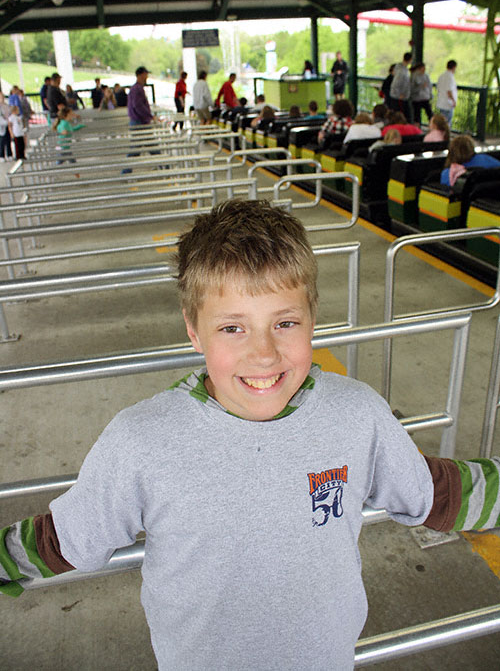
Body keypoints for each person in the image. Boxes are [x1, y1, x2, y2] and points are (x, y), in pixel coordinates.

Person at [1, 199, 500, 670]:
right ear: (193, 330)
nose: (264, 353)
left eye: (284, 322)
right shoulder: (142, 441)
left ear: (312, 318)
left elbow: (429, 489)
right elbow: (67, 537)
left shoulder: (357, 415)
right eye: (232, 328)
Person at [389, 52, 412, 120]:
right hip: (399, 98)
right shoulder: (401, 71)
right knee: (402, 117)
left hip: (401, 97)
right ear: (410, 60)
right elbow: (395, 84)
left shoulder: (403, 69)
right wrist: (399, 95)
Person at [436, 60, 458, 125]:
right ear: (454, 67)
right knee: (447, 123)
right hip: (447, 104)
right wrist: (453, 101)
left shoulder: (441, 76)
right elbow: (449, 91)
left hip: (441, 102)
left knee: (442, 122)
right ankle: (446, 135)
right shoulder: (450, 77)